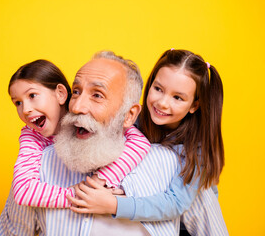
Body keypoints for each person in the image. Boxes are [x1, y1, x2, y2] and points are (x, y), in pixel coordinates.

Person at [0, 51, 227, 235]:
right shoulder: (36, 168)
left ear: (129, 115)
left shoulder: (182, 166)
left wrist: (115, 201)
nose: (76, 107)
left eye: (97, 95)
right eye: (76, 91)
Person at [66, 49, 228, 235]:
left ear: (194, 105)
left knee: (201, 192)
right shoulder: (134, 122)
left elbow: (175, 204)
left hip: (183, 225)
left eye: (177, 98)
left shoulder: (196, 151)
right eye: (158, 89)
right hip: (141, 218)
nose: (163, 103)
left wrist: (115, 204)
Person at [0, 59, 150, 209]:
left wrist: (99, 181)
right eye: (17, 102)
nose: (25, 110)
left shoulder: (86, 116)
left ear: (61, 94)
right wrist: (79, 195)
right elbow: (23, 190)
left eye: (32, 96)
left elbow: (140, 142)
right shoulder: (31, 135)